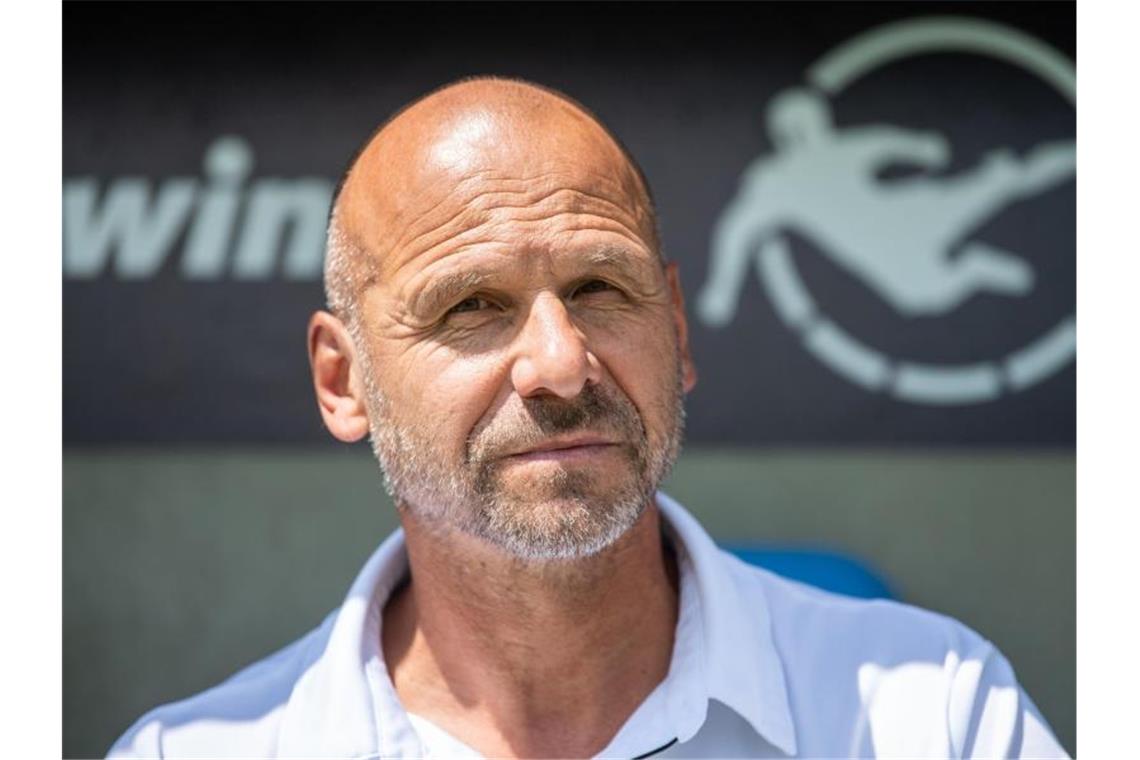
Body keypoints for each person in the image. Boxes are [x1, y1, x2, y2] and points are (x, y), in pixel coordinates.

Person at [109, 77, 1066, 759]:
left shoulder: (935, 718)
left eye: (602, 287)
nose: (562, 365)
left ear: (678, 330)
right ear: (342, 379)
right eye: (472, 306)